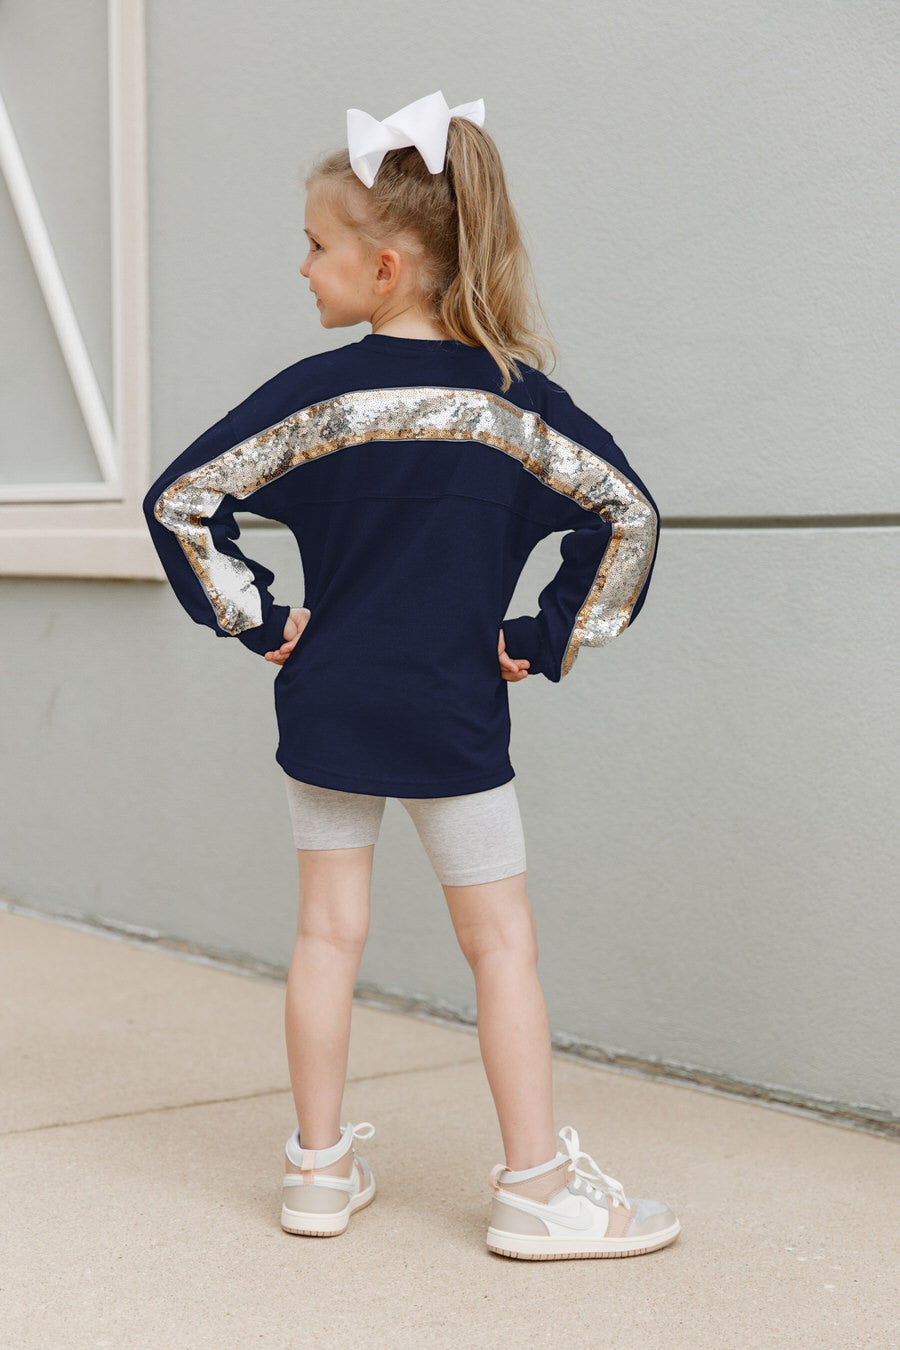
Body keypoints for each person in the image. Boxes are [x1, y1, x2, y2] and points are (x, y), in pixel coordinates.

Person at [142, 90, 678, 1261]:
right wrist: (544, 636)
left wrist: (257, 617)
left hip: (329, 698)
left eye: (314, 245)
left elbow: (181, 500)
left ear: (383, 268)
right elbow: (627, 517)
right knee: (502, 947)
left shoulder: (316, 400)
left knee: (327, 936)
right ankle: (535, 1188)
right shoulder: (516, 408)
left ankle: (317, 1173)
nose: (301, 267)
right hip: (451, 711)